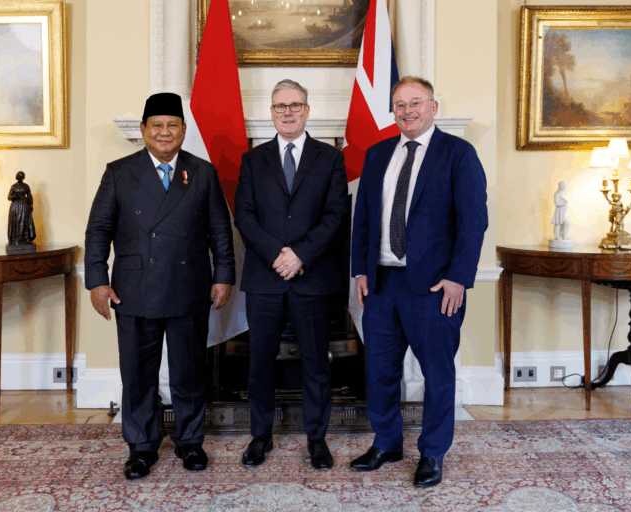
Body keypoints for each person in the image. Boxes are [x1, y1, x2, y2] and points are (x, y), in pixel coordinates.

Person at [84, 92, 235, 479]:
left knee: (189, 371)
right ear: (143, 130)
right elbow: (98, 230)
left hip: (189, 285)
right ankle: (141, 447)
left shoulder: (202, 172)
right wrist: (97, 281)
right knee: (138, 374)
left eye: (172, 125)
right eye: (157, 125)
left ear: (183, 130)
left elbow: (220, 230)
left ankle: (190, 442)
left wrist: (223, 275)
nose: (164, 132)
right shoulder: (118, 172)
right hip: (134, 288)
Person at [350, 76, 488, 487]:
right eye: (400, 104)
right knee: (380, 371)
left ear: (433, 107)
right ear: (392, 111)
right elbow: (363, 218)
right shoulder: (377, 154)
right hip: (381, 285)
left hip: (434, 289)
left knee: (437, 374)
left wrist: (458, 278)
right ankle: (387, 443)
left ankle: (432, 453)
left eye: (416, 102)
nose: (407, 111)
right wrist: (360, 269)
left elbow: (473, 222)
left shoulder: (458, 153)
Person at [234, 79, 349, 470]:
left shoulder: (330, 158)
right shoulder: (253, 160)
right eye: (280, 106)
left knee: (316, 363)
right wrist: (276, 255)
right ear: (271, 113)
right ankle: (260, 436)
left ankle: (317, 439)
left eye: (295, 105)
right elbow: (244, 216)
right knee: (260, 362)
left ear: (307, 110)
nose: (288, 112)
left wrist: (300, 255)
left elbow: (335, 215)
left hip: (312, 277)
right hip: (264, 280)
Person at [7, 171, 36, 246]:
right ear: (17, 177)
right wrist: (13, 197)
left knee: (24, 222)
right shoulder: (14, 186)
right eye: (20, 176)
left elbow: (29, 196)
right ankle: (15, 239)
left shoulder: (26, 186)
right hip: (15, 206)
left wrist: (31, 205)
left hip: (24, 206)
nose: (21, 178)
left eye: (22, 176)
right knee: (15, 222)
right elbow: (8, 197)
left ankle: (25, 239)